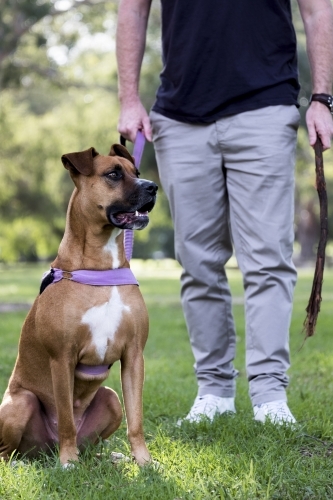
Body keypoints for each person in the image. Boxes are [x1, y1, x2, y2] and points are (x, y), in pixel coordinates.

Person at [116, 0, 333, 424]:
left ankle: (270, 395)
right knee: (197, 262)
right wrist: (128, 98)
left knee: (268, 258)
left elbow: (318, 8)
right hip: (179, 116)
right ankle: (214, 391)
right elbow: (133, 9)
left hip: (265, 108)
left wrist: (323, 98)